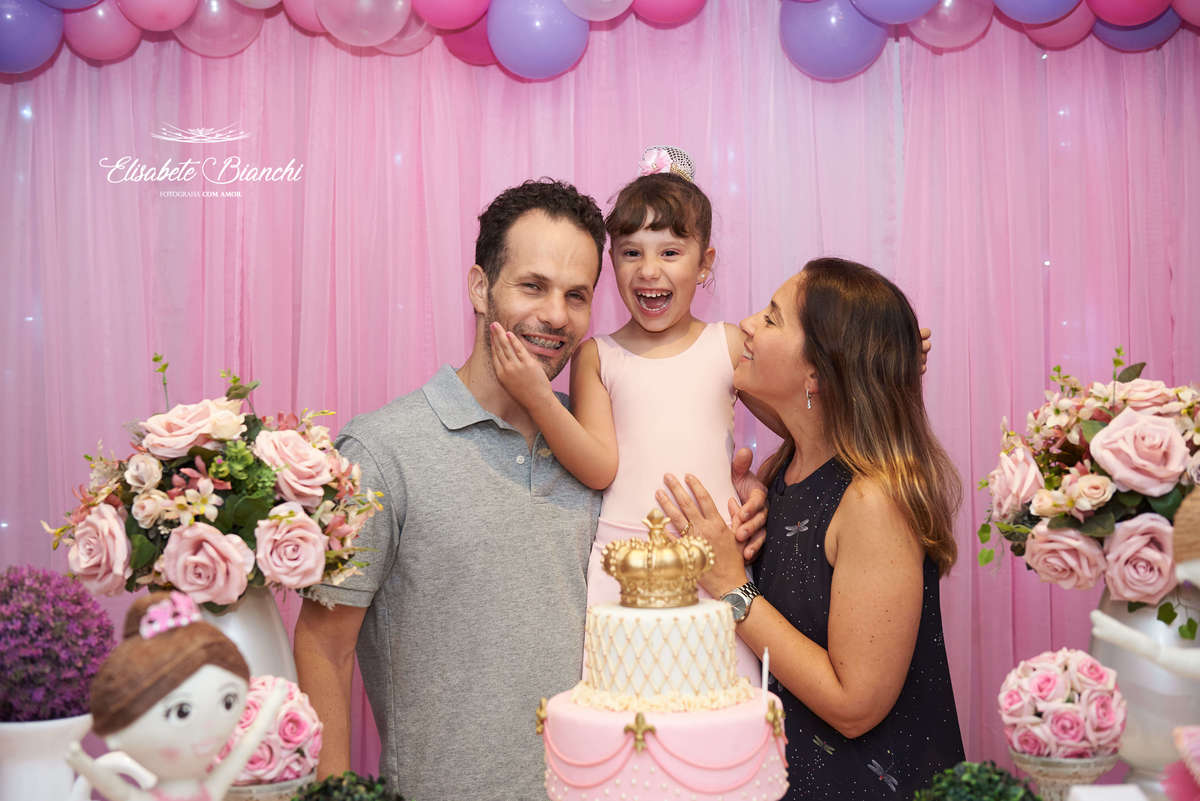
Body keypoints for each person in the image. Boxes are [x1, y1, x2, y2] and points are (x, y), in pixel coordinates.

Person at [293, 178, 767, 801]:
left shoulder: (602, 439)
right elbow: (323, 647)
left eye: (576, 295)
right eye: (533, 286)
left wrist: (750, 486)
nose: (555, 315)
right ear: (479, 288)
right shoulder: (384, 452)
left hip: (610, 787)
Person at [658, 257, 965, 799]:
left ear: (818, 373)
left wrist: (732, 586)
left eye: (772, 319)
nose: (748, 324)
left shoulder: (873, 500)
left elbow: (855, 706)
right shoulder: (790, 466)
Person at [487, 147, 765, 682]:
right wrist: (537, 396)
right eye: (631, 253)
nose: (648, 270)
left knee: (717, 712)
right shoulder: (597, 356)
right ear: (610, 262)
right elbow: (599, 467)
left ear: (705, 262)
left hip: (712, 558)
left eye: (670, 252)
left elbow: (801, 422)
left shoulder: (728, 346)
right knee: (624, 714)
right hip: (623, 562)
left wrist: (760, 484)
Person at [65, 591, 289, 801]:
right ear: (116, 734)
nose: (208, 729)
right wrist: (83, 764)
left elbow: (245, 747)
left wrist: (271, 706)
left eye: (228, 702)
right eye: (182, 712)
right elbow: (116, 789)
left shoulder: (210, 789)